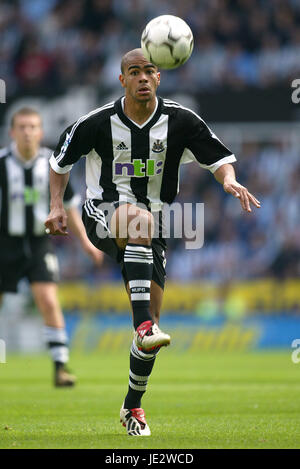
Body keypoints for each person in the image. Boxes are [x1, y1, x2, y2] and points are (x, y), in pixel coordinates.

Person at [45, 49, 260, 434]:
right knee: (138, 224)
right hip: (103, 211)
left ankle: (132, 405)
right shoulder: (96, 123)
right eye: (134, 72)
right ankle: (144, 325)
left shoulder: (180, 120)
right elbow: (59, 164)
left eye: (149, 71)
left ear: (159, 77)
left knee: (152, 328)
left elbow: (217, 158)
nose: (142, 77)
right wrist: (56, 206)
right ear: (122, 80)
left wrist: (227, 179)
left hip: (155, 226)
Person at [0, 107, 103, 387]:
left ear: (40, 132)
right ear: (12, 133)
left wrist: (87, 245)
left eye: (33, 126)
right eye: (21, 127)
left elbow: (70, 208)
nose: (27, 132)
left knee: (48, 300)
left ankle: (60, 368)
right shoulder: (2, 163)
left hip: (37, 243)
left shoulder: (52, 164)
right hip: (4, 243)